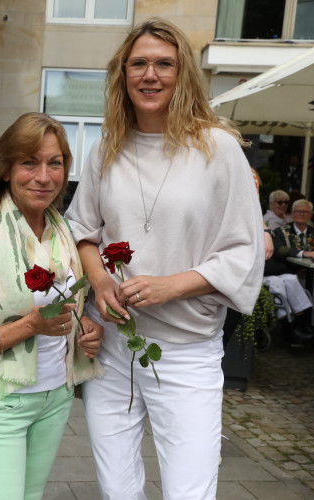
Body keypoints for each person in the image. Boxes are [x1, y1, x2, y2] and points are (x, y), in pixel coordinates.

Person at [65, 18, 263, 499]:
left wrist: (172, 285)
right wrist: (99, 280)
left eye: (163, 63)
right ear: (123, 74)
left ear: (183, 74)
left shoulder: (218, 148)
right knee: (118, 488)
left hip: (187, 351)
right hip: (112, 347)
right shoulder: (106, 148)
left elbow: (245, 249)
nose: (150, 74)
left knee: (189, 492)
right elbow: (80, 230)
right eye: (139, 63)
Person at [0, 112, 105, 500]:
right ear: (5, 169)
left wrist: (86, 328)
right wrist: (29, 326)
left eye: (55, 163)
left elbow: (66, 307)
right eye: (29, 162)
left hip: (56, 396)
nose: (44, 176)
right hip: (0, 402)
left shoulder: (61, 232)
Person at [269, 199, 314, 327]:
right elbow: (280, 251)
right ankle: (296, 325)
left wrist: (311, 271)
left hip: (311, 274)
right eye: (298, 211)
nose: (301, 214)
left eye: (305, 212)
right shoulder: (281, 232)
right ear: (293, 213)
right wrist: (303, 254)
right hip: (289, 273)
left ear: (310, 215)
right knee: (291, 280)